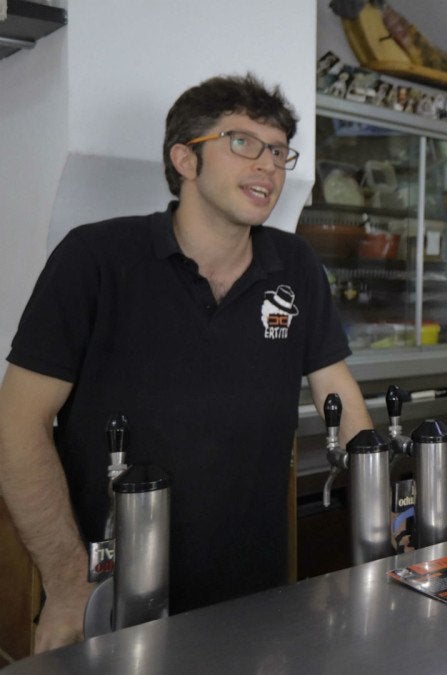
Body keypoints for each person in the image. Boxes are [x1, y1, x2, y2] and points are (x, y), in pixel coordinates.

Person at [0, 73, 373, 653]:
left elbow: (340, 397)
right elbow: (16, 424)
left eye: (279, 151)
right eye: (243, 142)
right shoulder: (96, 258)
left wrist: (388, 521)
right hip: (116, 601)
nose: (269, 165)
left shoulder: (294, 264)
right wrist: (69, 585)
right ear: (185, 159)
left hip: (256, 599)